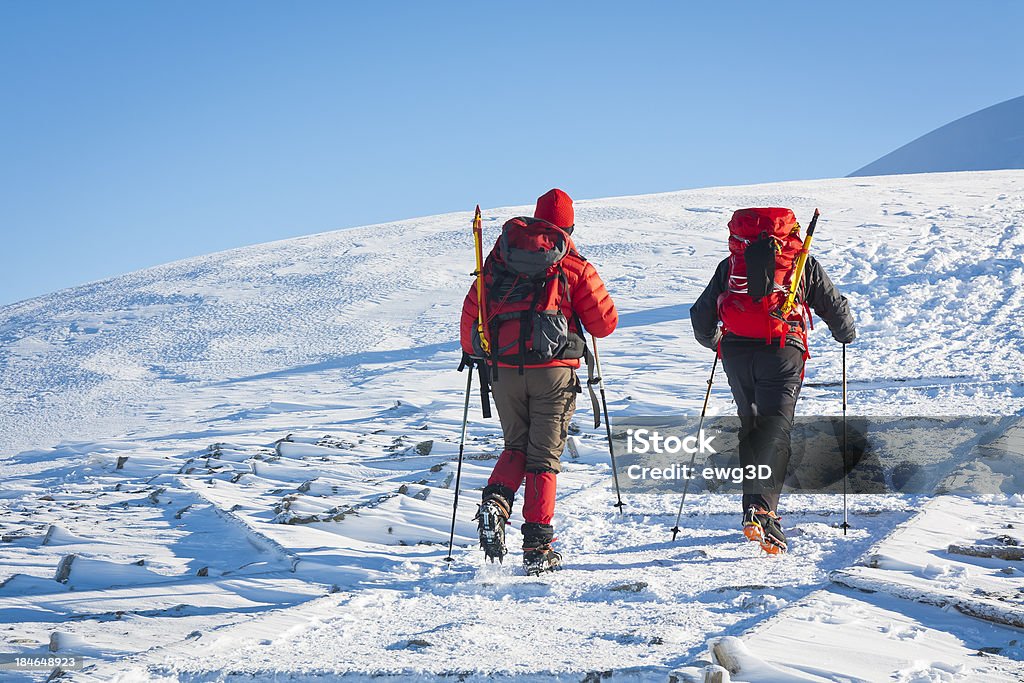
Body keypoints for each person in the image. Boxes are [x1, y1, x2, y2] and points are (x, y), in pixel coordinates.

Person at [460, 188, 617, 574]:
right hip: (553, 373)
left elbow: (470, 324)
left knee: (516, 445)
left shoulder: (498, 261)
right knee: (543, 458)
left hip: (504, 372)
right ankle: (537, 547)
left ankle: (496, 504)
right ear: (570, 227)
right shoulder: (573, 265)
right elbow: (604, 324)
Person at [689, 207, 855, 554]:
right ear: (789, 230)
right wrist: (845, 333)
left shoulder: (733, 262)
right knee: (775, 430)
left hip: (736, 352)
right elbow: (833, 306)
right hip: (781, 351)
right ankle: (763, 510)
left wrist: (715, 341)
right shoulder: (800, 261)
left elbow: (701, 313)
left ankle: (754, 508)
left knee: (752, 427)